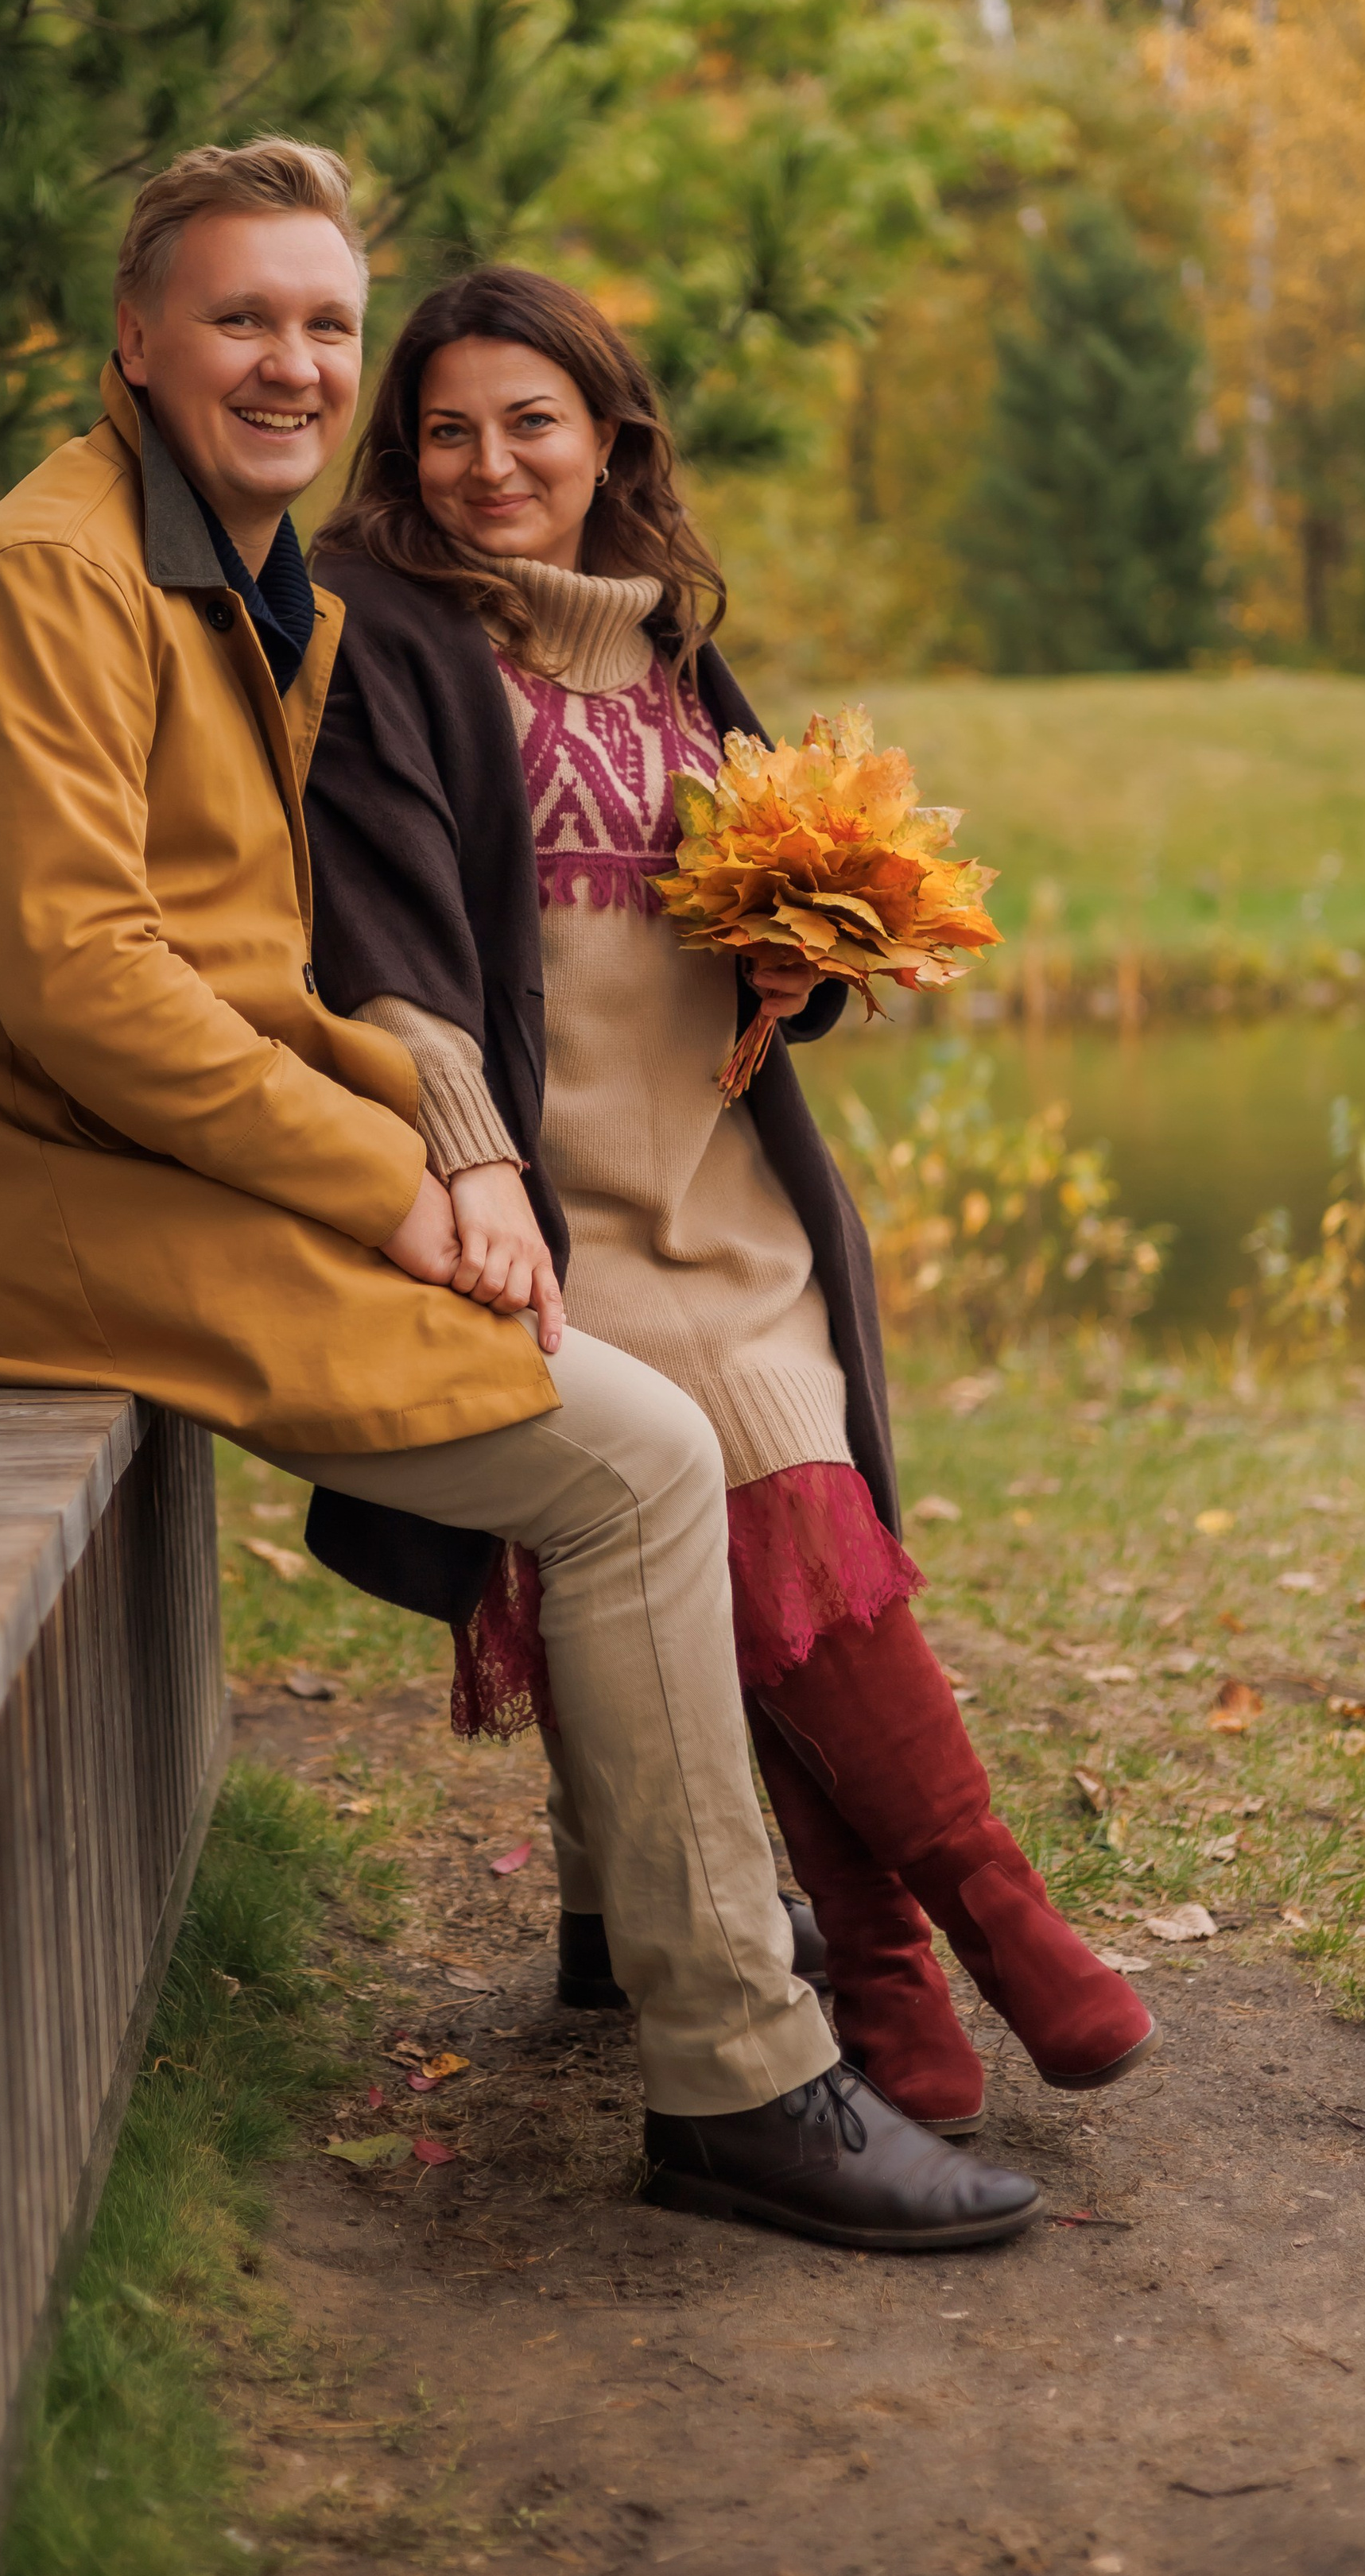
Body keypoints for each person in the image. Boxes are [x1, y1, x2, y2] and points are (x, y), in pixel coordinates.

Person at [0, 140, 1040, 2254]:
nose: (294, 361)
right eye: (243, 317)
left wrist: (465, 1143)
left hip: (177, 1154)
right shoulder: (46, 587)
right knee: (627, 1451)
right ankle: (745, 2068)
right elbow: (87, 990)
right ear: (135, 338)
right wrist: (399, 1180)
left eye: (328, 323)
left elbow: (263, 964)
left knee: (635, 1426)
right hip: (47, 1191)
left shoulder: (238, 578)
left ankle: (653, 1929)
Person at [301, 265, 1158, 2136]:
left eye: (529, 422)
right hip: (560, 1220)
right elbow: (371, 932)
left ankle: (881, 1965)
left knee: (783, 1564)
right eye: (446, 428)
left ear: (608, 436)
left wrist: (804, 960)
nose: (485, 463)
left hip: (731, 1201)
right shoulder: (385, 634)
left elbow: (770, 901)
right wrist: (468, 1158)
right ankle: (980, 1929)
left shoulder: (675, 653)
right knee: (770, 1540)